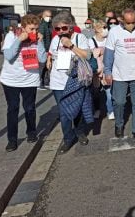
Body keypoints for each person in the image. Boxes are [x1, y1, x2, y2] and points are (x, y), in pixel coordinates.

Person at [0, 14, 47, 152]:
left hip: (30, 79)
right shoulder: (12, 35)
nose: (34, 32)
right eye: (31, 29)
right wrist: (19, 40)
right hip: (11, 80)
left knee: (30, 108)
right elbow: (8, 56)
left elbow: (42, 59)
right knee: (13, 109)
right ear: (24, 27)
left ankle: (31, 133)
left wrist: (40, 42)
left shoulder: (37, 38)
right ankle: (12, 140)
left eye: (36, 29)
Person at [47, 11, 91, 153]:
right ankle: (67, 139)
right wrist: (48, 60)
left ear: (71, 27)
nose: (61, 31)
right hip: (58, 82)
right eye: (57, 29)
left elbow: (87, 55)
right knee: (64, 113)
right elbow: (51, 54)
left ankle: (80, 132)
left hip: (75, 81)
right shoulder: (55, 40)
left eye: (64, 28)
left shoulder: (80, 37)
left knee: (77, 110)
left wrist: (71, 46)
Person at [103, 8, 135, 142]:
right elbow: (109, 54)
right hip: (119, 75)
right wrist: (107, 71)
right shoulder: (114, 32)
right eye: (127, 23)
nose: (130, 25)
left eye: (133, 22)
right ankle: (119, 125)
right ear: (122, 20)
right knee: (119, 102)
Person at [89, 20, 114, 120]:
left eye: (106, 27)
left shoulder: (109, 39)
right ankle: (97, 110)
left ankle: (110, 111)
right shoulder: (91, 40)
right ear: (97, 29)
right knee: (96, 92)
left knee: (109, 92)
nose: (106, 29)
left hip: (107, 69)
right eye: (104, 28)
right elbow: (93, 54)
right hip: (96, 71)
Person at [38, 10, 53, 89]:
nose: (49, 18)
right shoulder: (42, 25)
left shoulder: (49, 25)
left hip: (48, 48)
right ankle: (40, 82)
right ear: (43, 16)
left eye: (50, 16)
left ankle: (46, 81)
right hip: (44, 49)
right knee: (42, 65)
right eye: (47, 16)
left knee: (47, 65)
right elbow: (42, 39)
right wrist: (46, 50)